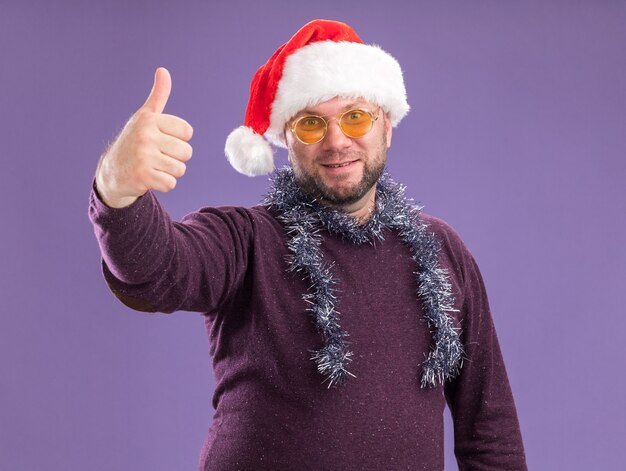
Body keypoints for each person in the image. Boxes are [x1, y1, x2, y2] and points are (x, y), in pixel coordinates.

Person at [88, 19, 527, 471]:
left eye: (356, 117)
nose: (337, 141)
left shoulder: (441, 251)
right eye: (311, 124)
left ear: (387, 126)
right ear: (286, 141)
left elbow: (489, 434)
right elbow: (157, 270)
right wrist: (117, 187)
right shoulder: (244, 240)